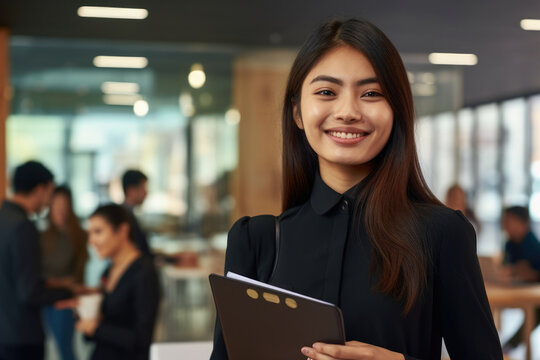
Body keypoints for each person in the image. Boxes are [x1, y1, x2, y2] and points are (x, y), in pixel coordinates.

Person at [211, 18, 502, 360]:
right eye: (326, 92)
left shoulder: (441, 235)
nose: (348, 112)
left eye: (371, 94)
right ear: (297, 113)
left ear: (396, 110)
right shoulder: (256, 241)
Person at [0, 161, 73, 360]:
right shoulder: (23, 227)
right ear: (40, 189)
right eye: (50, 193)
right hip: (22, 334)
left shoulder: (3, 218)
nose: (49, 201)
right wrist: (68, 292)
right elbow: (29, 292)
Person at [75, 203, 160, 360]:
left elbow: (141, 339)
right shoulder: (108, 270)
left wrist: (96, 328)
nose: (91, 241)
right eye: (90, 234)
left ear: (122, 231)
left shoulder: (143, 273)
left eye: (98, 232)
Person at [41, 185, 88, 360]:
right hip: (43, 298)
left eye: (64, 205)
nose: (60, 209)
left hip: (66, 300)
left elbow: (79, 274)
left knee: (65, 348)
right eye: (57, 204)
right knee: (48, 348)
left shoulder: (78, 236)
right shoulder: (42, 236)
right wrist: (60, 282)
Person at [501, 206, 540, 350]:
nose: (505, 224)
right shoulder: (509, 243)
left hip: (532, 292)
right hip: (514, 288)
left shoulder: (532, 244)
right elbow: (506, 266)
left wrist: (530, 273)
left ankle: (510, 346)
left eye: (508, 220)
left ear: (522, 223)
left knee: (536, 310)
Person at [121, 169, 152, 257]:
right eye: (143, 187)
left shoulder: (128, 214)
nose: (146, 192)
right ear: (131, 190)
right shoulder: (124, 217)